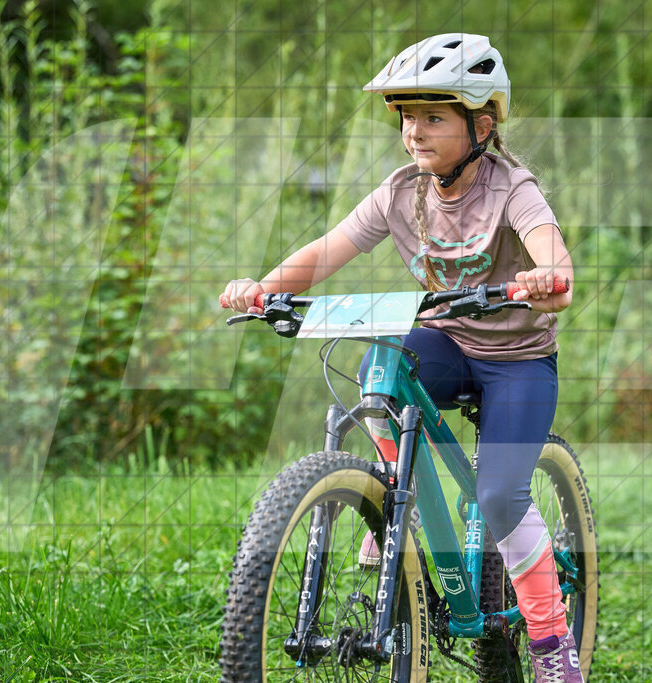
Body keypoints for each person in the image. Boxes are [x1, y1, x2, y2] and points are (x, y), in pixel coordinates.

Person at [222, 33, 582, 681]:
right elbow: (329, 248)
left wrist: (550, 277)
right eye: (406, 116)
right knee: (377, 375)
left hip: (517, 359)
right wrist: (266, 287)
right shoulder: (399, 193)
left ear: (483, 124)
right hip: (448, 339)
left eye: (433, 117)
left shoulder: (512, 189)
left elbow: (550, 248)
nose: (414, 131)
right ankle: (397, 499)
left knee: (501, 495)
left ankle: (555, 644)